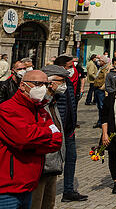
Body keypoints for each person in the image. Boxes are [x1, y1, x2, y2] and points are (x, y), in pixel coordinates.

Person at [0, 70, 64, 208]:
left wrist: (35, 140)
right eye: (37, 84)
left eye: (45, 84)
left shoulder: (40, 110)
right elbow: (24, 139)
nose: (42, 88)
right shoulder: (7, 109)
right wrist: (46, 134)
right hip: (7, 189)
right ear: (23, 86)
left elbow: (57, 140)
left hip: (30, 184)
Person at [30, 65, 69, 209]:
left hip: (54, 164)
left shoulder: (52, 101)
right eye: (61, 81)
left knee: (49, 203)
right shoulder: (39, 103)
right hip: (42, 165)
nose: (64, 85)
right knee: (36, 203)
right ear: (50, 83)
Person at [52, 55, 88, 203]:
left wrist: (73, 123)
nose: (72, 69)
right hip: (56, 129)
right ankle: (44, 192)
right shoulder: (53, 83)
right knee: (52, 162)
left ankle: (68, 190)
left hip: (69, 128)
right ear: (61, 67)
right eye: (69, 66)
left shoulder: (67, 82)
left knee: (71, 158)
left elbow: (73, 105)